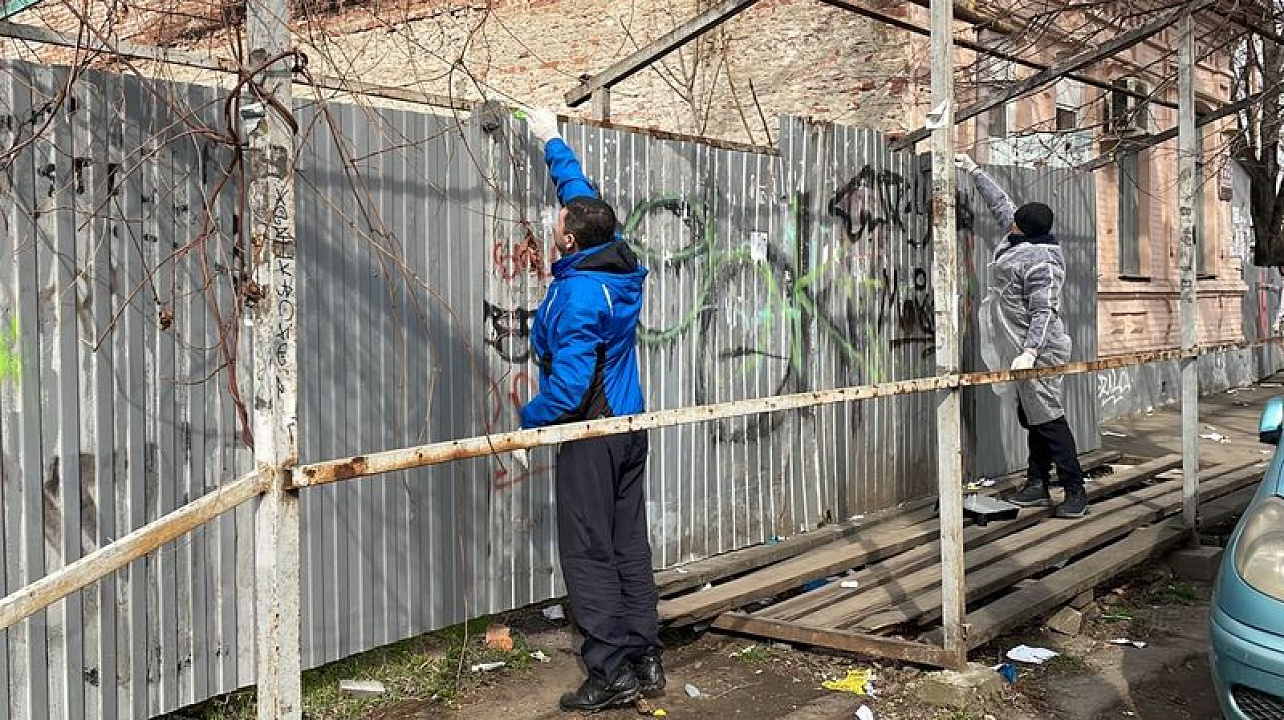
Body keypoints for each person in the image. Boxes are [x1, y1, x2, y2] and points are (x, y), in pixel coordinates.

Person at [521, 107, 664, 711]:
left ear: (569, 240)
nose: (556, 225)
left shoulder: (580, 295)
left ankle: (609, 673)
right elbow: (580, 194)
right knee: (628, 541)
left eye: (559, 225)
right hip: (630, 424)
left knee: (588, 551)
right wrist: (550, 137)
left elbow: (573, 387)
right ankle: (644, 655)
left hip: (593, 430)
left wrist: (530, 422)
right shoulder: (616, 257)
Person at [957, 153, 1088, 519]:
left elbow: (1044, 311)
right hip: (1017, 344)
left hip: (1039, 350)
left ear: (1022, 229)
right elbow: (1002, 205)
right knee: (1032, 415)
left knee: (1048, 418)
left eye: (1014, 223)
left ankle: (1074, 489)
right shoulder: (1022, 239)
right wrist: (974, 171)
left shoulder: (1041, 262)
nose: (1008, 223)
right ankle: (1036, 481)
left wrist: (1031, 352)